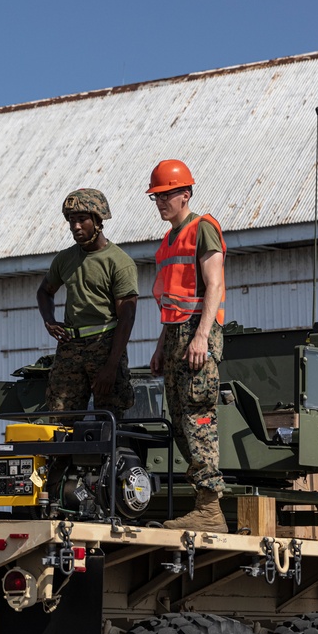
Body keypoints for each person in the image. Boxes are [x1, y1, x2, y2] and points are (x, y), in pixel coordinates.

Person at [147, 159, 228, 533]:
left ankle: (210, 509)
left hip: (198, 332)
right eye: (156, 196)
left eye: (166, 195)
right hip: (176, 334)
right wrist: (162, 346)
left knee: (198, 417)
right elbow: (170, 301)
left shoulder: (203, 228)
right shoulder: (166, 242)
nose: (161, 202)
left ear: (185, 194)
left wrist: (201, 336)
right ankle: (203, 503)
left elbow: (214, 285)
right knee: (180, 421)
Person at [36, 188, 138, 421]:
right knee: (58, 419)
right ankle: (62, 459)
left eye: (81, 220)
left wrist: (111, 366)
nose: (75, 227)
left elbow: (127, 317)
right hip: (70, 346)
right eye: (71, 221)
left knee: (109, 421)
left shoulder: (119, 262)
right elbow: (44, 291)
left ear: (98, 220)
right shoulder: (65, 259)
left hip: (105, 345)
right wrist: (49, 321)